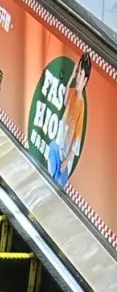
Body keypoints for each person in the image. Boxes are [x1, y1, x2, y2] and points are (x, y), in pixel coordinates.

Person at [48, 52, 91, 189]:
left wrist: (65, 162)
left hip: (65, 155)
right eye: (77, 72)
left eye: (80, 74)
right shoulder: (72, 92)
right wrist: (71, 77)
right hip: (58, 144)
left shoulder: (81, 106)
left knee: (56, 185)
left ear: (85, 81)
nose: (77, 77)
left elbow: (77, 141)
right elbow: (65, 100)